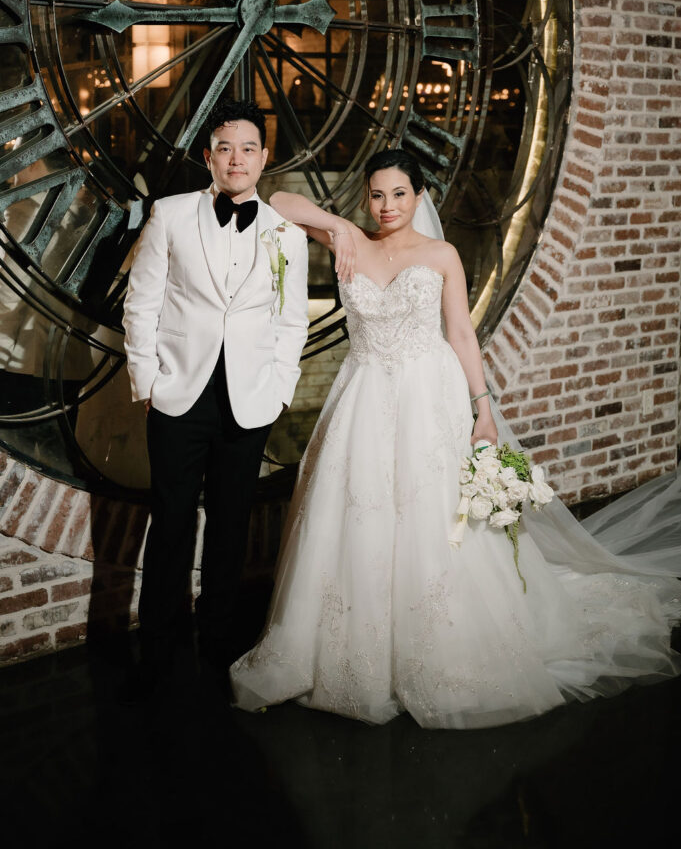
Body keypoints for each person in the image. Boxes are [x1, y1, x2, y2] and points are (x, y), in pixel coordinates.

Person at [230, 148, 681, 729]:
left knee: (431, 516)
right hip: (363, 395)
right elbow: (278, 201)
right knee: (358, 514)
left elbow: (462, 334)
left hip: (427, 394)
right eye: (376, 195)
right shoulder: (351, 242)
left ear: (420, 197)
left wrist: (483, 410)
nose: (387, 206)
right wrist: (339, 226)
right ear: (364, 198)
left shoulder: (441, 254)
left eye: (399, 194)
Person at [122, 98, 309, 699]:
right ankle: (157, 647)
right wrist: (147, 382)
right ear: (208, 155)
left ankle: (221, 643)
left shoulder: (286, 233)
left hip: (250, 400)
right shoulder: (171, 214)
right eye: (225, 147)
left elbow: (291, 321)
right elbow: (142, 302)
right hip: (179, 394)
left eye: (248, 148)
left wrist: (280, 391)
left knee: (231, 527)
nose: (237, 158)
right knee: (171, 521)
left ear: (264, 157)